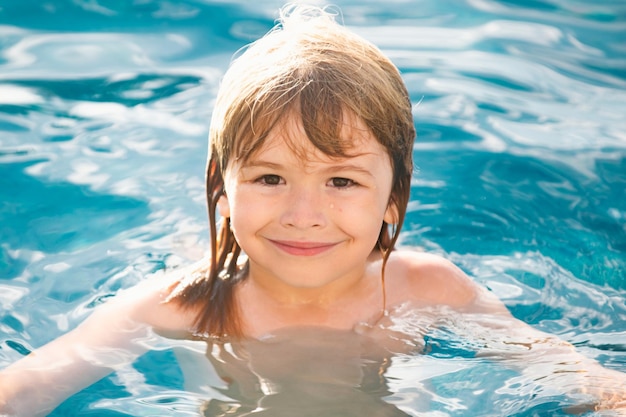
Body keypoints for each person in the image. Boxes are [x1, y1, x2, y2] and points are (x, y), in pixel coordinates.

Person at [1, 4, 625, 416]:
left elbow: (566, 372)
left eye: (343, 182)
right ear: (222, 184)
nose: (304, 214)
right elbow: (31, 384)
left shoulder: (427, 287)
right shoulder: (179, 305)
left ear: (395, 197)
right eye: (270, 177)